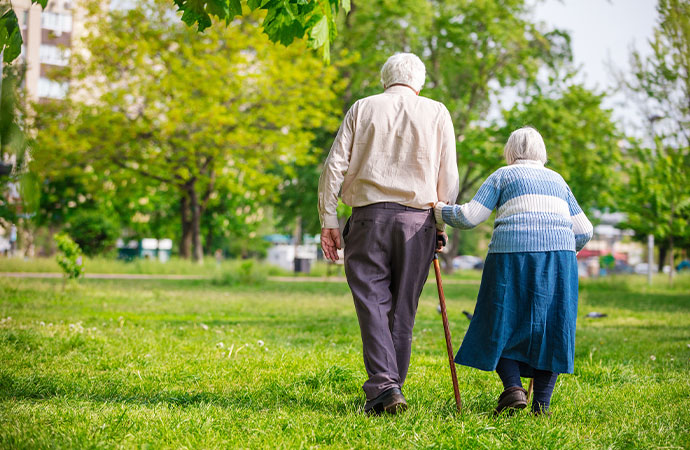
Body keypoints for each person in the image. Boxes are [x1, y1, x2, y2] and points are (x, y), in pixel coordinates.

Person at [318, 53, 459, 415]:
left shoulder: (362, 108)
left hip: (368, 219)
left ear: (385, 80)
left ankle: (385, 387)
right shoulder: (437, 111)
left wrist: (329, 219)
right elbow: (449, 176)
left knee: (372, 304)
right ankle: (389, 386)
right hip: (418, 221)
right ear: (419, 82)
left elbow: (334, 167)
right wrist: (440, 225)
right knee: (403, 310)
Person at [434, 126, 593, 416]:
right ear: (541, 153)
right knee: (552, 329)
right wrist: (565, 251)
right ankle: (541, 406)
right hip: (559, 259)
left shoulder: (503, 175)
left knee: (498, 322)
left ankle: (514, 388)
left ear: (510, 151)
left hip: (510, 256)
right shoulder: (558, 180)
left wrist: (439, 210)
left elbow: (470, 217)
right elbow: (584, 230)